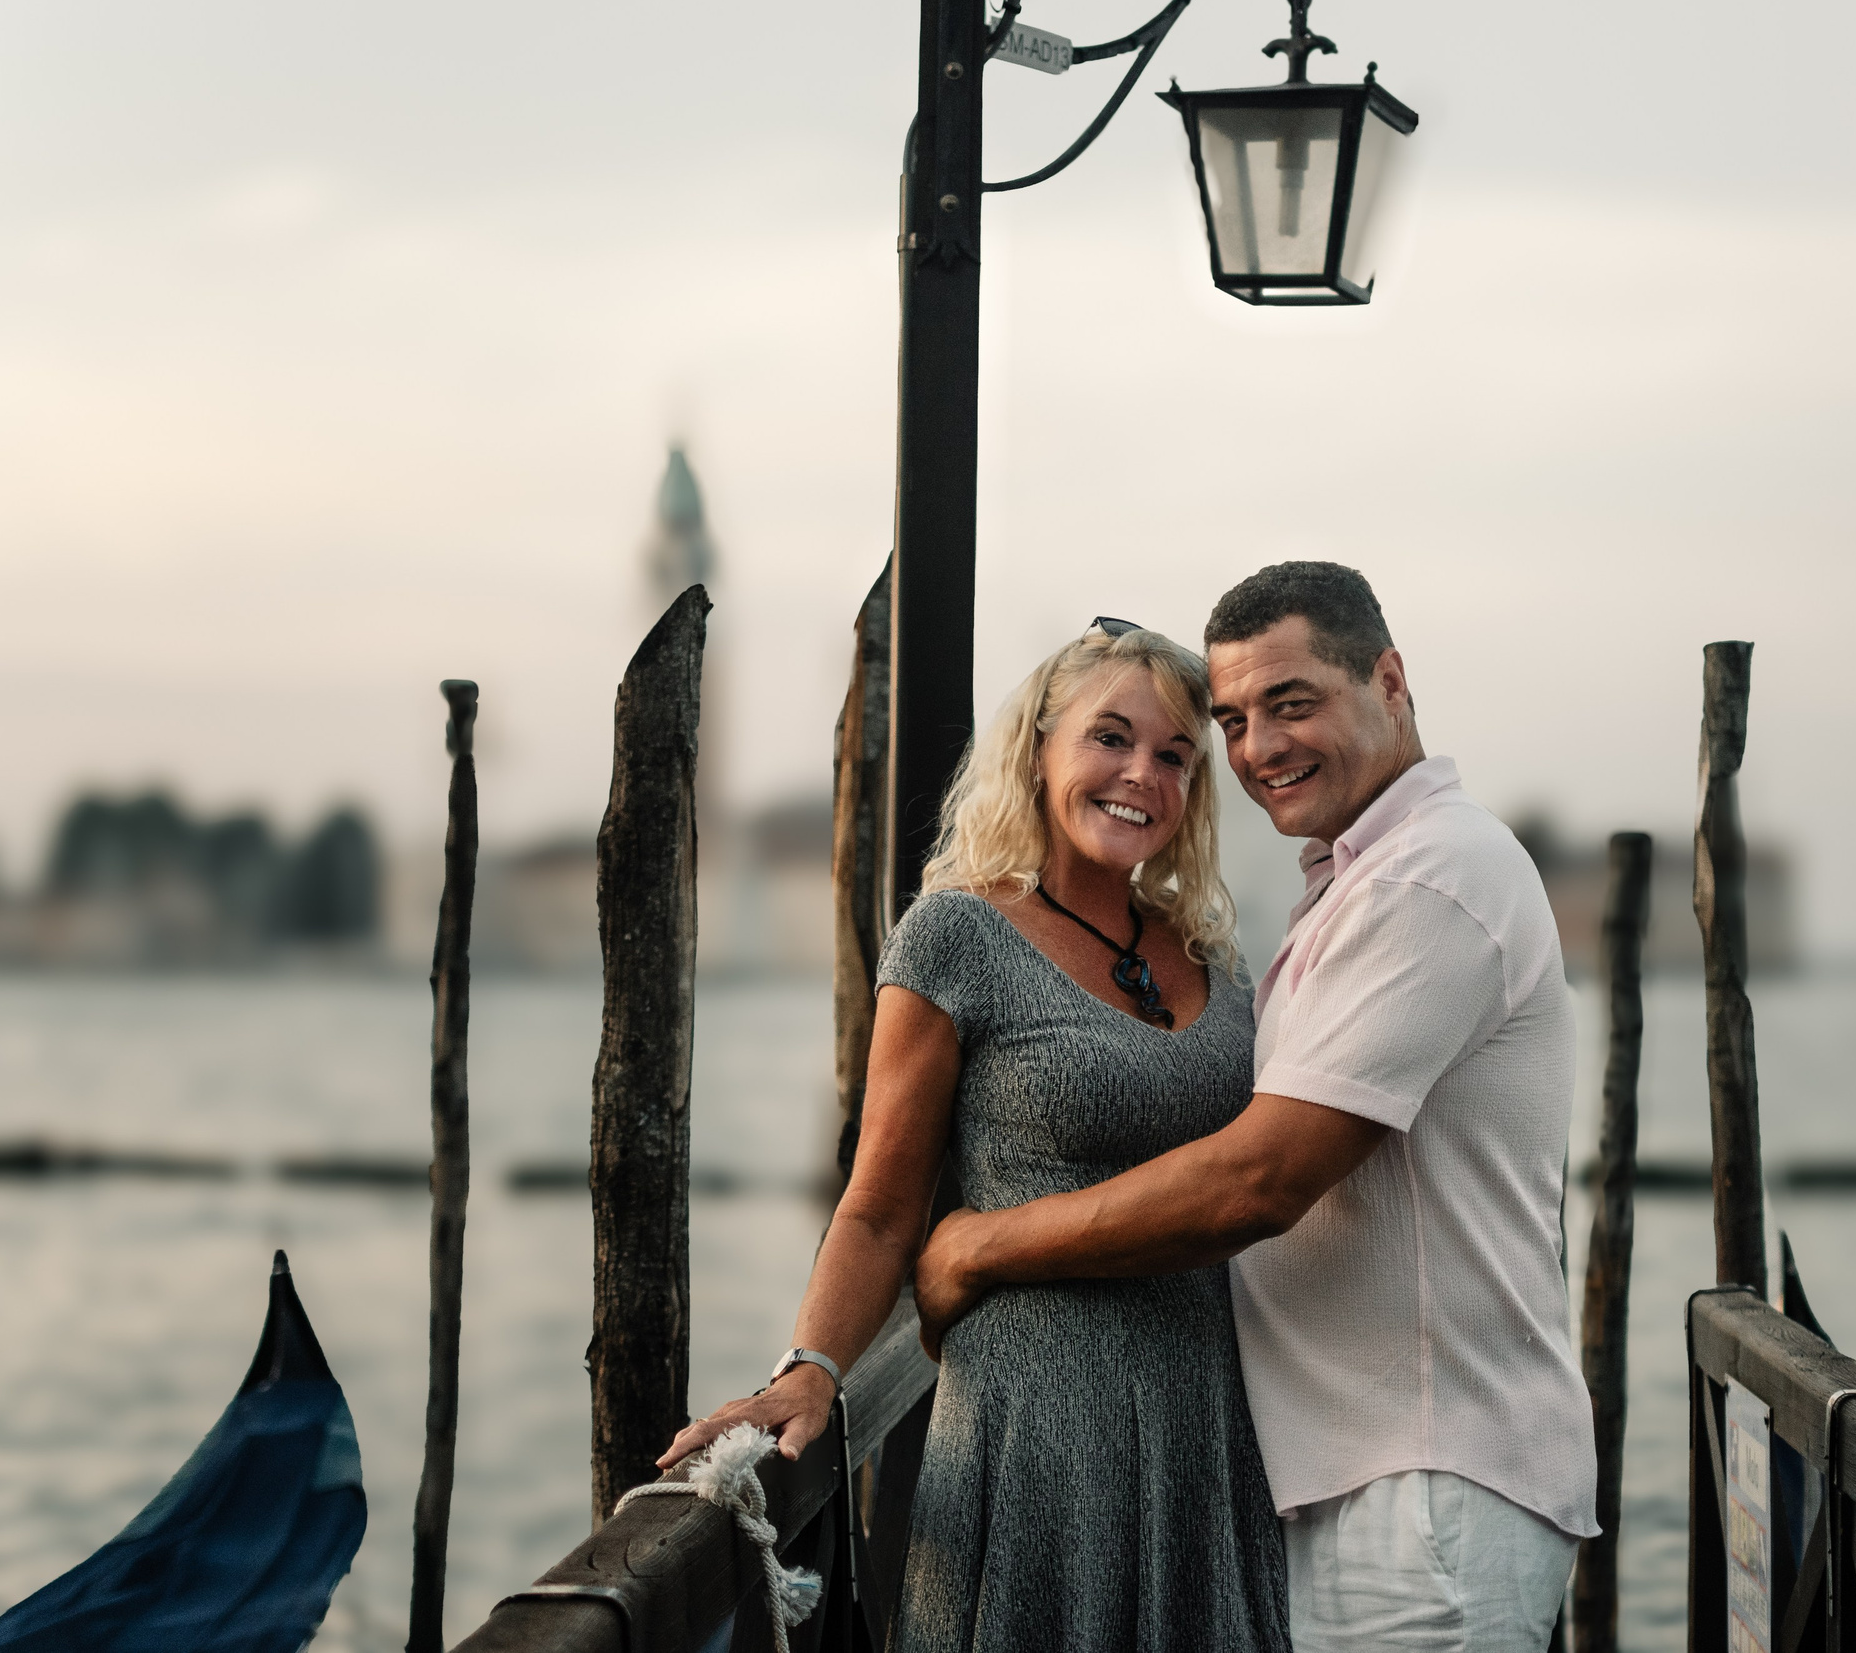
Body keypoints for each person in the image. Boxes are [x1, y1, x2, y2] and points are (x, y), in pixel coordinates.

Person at [917, 562, 1596, 1653]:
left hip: (1419, 1493)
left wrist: (973, 1249)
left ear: (1389, 680)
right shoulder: (1358, 885)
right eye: (1231, 721)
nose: (1257, 750)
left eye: (1291, 703)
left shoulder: (1429, 881)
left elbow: (1257, 1179)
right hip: (1355, 1482)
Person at [658, 620, 1288, 1653]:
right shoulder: (955, 936)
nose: (1143, 774)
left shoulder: (1216, 957)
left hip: (1207, 1421)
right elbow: (878, 1205)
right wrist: (811, 1364)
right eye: (1110, 738)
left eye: (1175, 755)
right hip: (1035, 1422)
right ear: (1038, 749)